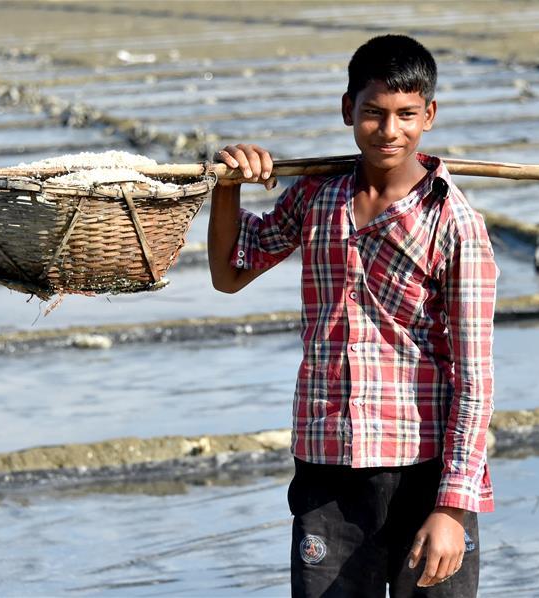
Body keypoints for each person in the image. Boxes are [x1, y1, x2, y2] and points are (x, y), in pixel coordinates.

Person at [207, 34, 497, 597]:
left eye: (406, 115)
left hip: (425, 472)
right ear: (348, 110)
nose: (390, 131)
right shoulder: (317, 198)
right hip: (328, 471)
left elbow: (475, 380)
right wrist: (229, 188)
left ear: (429, 115)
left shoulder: (455, 224)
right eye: (374, 113)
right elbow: (229, 272)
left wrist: (453, 509)